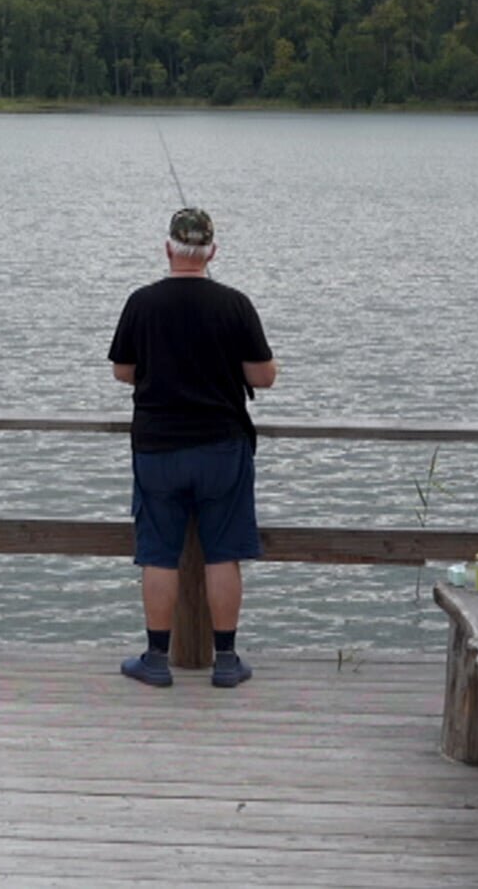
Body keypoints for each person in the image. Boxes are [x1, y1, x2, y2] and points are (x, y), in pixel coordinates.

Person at [107, 207, 277, 689]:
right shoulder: (235, 304)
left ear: (168, 249)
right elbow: (262, 377)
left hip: (158, 447)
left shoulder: (142, 302)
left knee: (159, 553)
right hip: (222, 447)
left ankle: (156, 660)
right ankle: (225, 661)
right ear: (212, 252)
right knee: (223, 553)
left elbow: (122, 370)